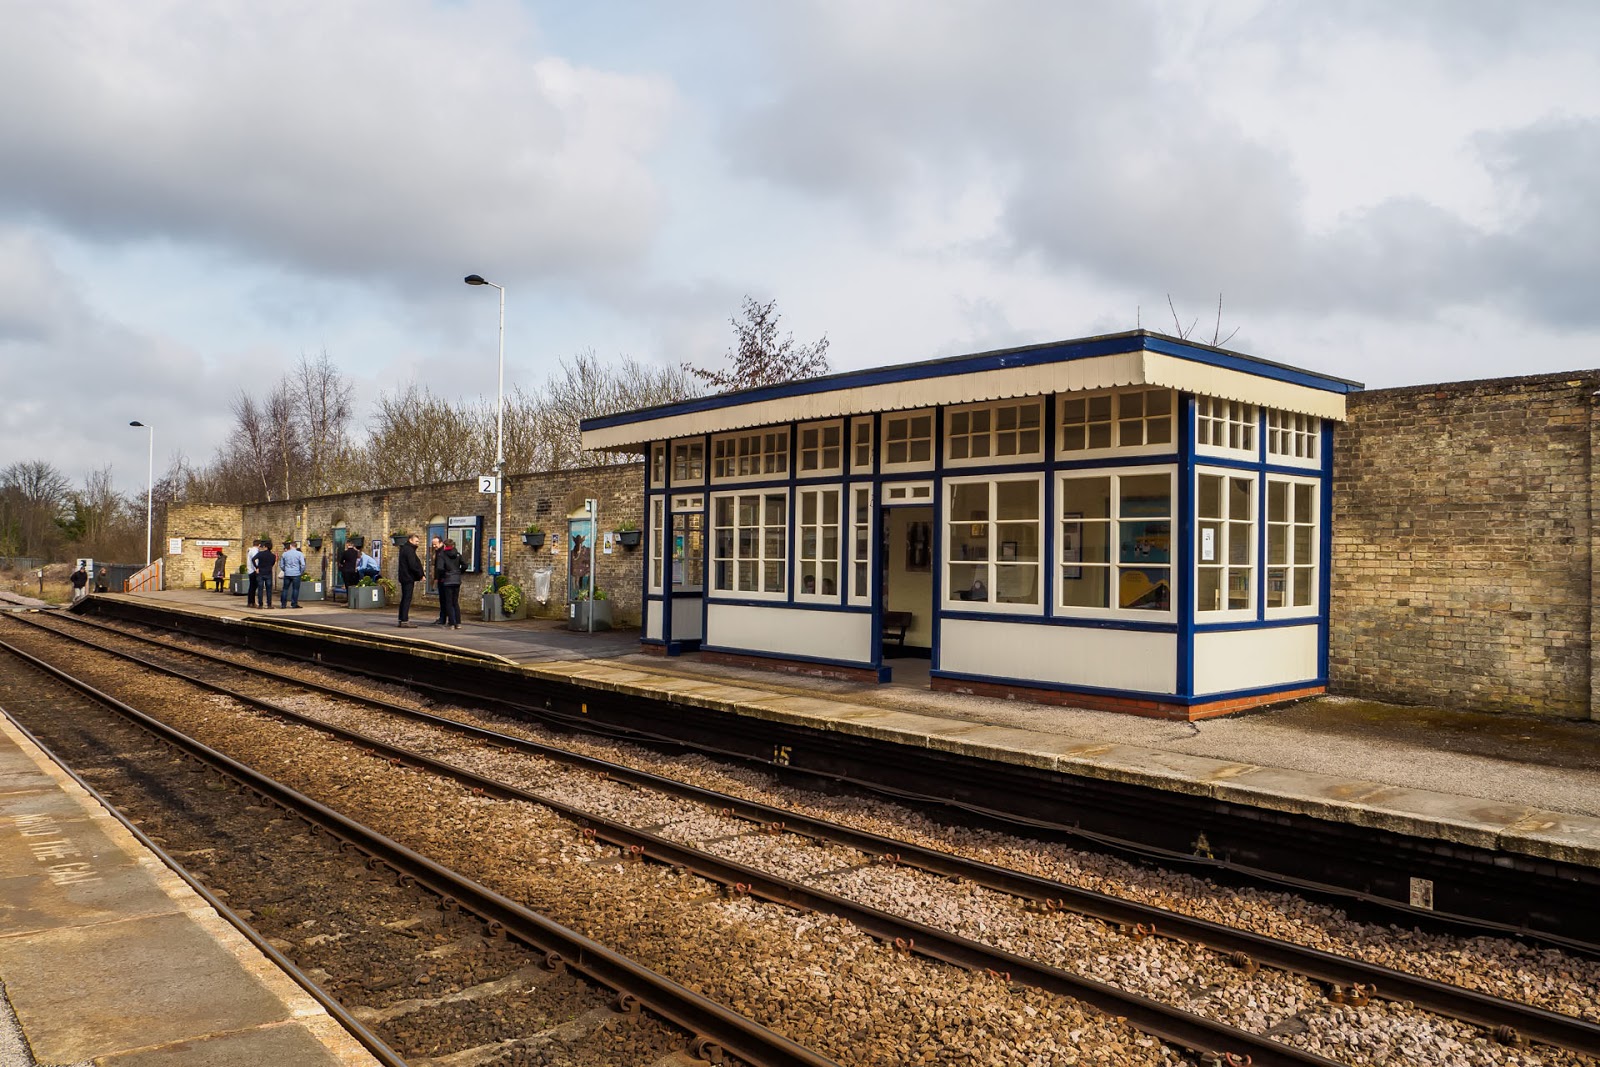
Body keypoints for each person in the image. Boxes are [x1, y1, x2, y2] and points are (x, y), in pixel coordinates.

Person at [435, 537, 463, 630]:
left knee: (448, 602)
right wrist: (459, 572)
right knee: (455, 602)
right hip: (457, 580)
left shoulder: (442, 555)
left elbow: (439, 568)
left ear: (445, 546)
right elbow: (465, 565)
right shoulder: (458, 554)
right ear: (453, 545)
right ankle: (458, 623)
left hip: (447, 580)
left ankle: (451, 623)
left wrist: (443, 576)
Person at [396, 533, 424, 627]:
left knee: (404, 598)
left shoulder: (404, 549)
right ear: (410, 540)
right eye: (416, 541)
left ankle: (402, 619)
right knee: (407, 598)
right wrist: (420, 574)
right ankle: (404, 620)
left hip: (404, 577)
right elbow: (413, 565)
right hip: (408, 577)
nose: (417, 543)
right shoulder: (409, 550)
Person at [279, 540, 306, 608]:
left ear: (290, 546)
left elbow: (281, 564)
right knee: (295, 589)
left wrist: (285, 570)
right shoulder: (300, 554)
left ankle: (283, 604)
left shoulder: (284, 554)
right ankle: (294, 604)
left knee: (285, 589)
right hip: (296, 573)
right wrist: (301, 572)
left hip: (287, 573)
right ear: (296, 546)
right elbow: (303, 564)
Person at [430, 535, 447, 625]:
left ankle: (443, 619)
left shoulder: (442, 553)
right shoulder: (437, 552)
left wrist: (437, 578)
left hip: (443, 579)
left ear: (441, 543)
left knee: (444, 600)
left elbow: (440, 568)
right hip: (441, 578)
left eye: (435, 544)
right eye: (433, 544)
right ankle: (443, 618)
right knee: (442, 600)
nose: (434, 546)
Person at [254, 541, 277, 608]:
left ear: (265, 547)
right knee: (269, 589)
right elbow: (272, 563)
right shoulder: (273, 556)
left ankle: (260, 604)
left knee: (260, 589)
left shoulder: (260, 554)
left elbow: (253, 559)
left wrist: (257, 567)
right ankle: (269, 604)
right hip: (268, 573)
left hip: (260, 572)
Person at [246, 540, 263, 607]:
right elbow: (255, 560)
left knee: (251, 587)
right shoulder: (255, 551)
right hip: (254, 571)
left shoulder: (250, 550)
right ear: (259, 545)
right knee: (253, 587)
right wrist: (257, 568)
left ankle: (250, 602)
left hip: (250, 570)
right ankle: (252, 602)